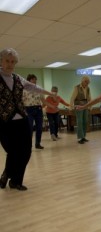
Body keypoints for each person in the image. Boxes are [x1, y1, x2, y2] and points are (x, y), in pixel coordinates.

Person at [0, 48, 54, 191]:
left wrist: (50, 93)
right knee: (12, 150)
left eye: (13, 62)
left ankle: (15, 181)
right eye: (7, 61)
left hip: (22, 120)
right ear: (1, 61)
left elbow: (33, 87)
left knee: (25, 151)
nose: (10, 64)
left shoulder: (18, 78)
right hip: (5, 122)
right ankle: (7, 173)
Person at [23, 74, 53, 149]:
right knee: (29, 128)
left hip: (38, 109)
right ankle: (28, 145)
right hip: (28, 109)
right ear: (29, 80)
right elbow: (21, 101)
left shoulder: (38, 89)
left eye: (35, 79)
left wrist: (52, 106)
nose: (35, 81)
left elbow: (43, 101)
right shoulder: (24, 89)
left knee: (39, 128)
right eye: (33, 79)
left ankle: (37, 144)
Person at [70, 76, 91, 144]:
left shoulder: (88, 88)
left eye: (88, 82)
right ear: (82, 81)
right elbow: (72, 98)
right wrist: (71, 107)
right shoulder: (77, 87)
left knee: (85, 121)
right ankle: (80, 138)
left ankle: (83, 137)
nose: (87, 83)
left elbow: (89, 98)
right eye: (86, 81)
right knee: (80, 121)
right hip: (78, 105)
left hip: (85, 105)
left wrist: (90, 106)